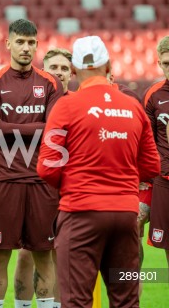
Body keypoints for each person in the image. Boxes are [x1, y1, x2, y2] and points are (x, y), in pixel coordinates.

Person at [37, 35, 160, 307]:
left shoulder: (66, 106)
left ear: (73, 71)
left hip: (80, 214)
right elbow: (152, 165)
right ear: (108, 65)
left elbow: (46, 167)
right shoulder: (133, 107)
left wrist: (74, 182)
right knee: (126, 301)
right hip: (126, 216)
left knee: (77, 301)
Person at [0, 19, 64, 308]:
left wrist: (4, 127)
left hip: (42, 180)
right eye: (20, 42)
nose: (26, 48)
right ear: (8, 44)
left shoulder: (51, 83)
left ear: (37, 44)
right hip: (5, 180)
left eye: (31, 42)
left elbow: (53, 131)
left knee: (43, 252)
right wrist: (33, 129)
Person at [14, 47, 72, 308]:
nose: (58, 73)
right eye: (53, 67)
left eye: (64, 68)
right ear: (42, 70)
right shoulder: (29, 102)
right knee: (27, 253)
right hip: (35, 184)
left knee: (63, 254)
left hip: (70, 189)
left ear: (72, 73)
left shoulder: (79, 104)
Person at [145, 35, 169, 266]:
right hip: (164, 181)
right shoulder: (154, 96)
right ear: (160, 63)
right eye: (167, 63)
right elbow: (147, 142)